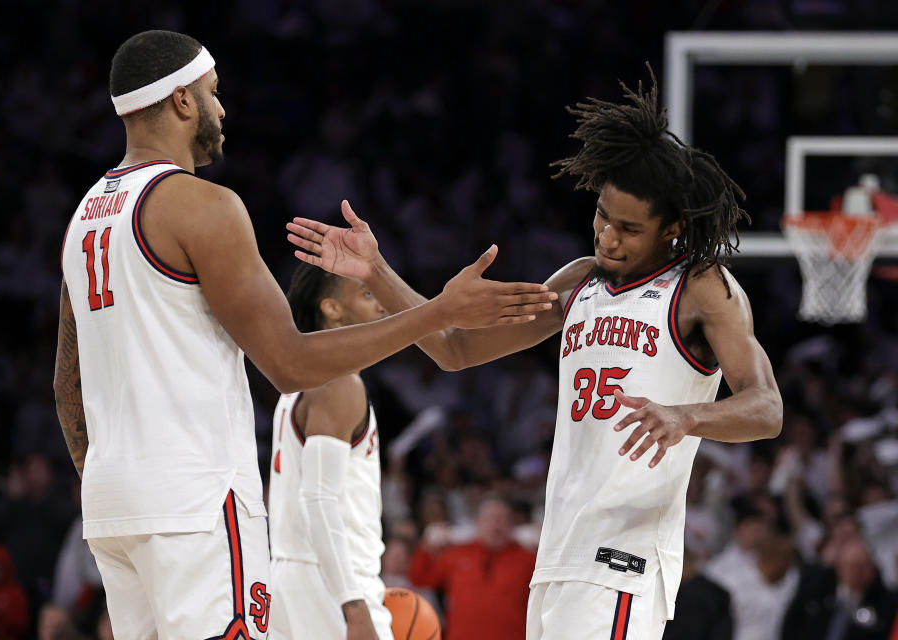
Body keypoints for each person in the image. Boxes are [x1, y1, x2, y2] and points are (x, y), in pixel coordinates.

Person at [53, 30, 555, 640]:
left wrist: (109, 477)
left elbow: (67, 384)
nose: (222, 110)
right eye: (213, 94)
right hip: (194, 498)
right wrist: (438, 311)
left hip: (113, 506)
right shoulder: (201, 205)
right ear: (182, 101)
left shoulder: (84, 219)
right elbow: (288, 361)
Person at [285, 68, 783, 639]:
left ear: (670, 228)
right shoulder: (577, 283)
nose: (607, 237)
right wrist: (377, 269)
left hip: (622, 558)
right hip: (559, 551)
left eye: (628, 228)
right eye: (602, 216)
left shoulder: (702, 288)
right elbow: (456, 349)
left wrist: (686, 415)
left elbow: (767, 407)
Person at [267, 263, 393, 640]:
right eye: (366, 294)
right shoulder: (338, 382)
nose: (381, 306)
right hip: (330, 584)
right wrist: (353, 606)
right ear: (332, 309)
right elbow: (319, 498)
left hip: (296, 575)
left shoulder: (300, 377)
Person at [409, 495, 536, 640]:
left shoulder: (527, 558)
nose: (496, 525)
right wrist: (426, 546)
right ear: (477, 523)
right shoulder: (456, 554)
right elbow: (420, 578)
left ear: (512, 526)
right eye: (490, 519)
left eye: (502, 519)